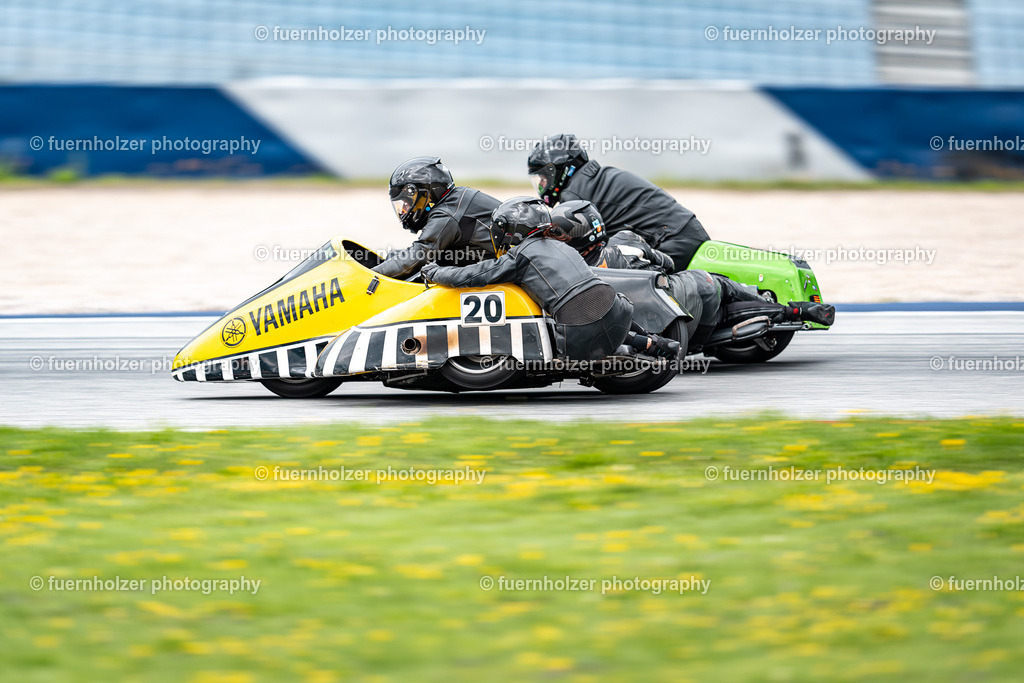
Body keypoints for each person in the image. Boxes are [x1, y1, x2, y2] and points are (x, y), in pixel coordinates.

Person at [420, 197, 681, 362]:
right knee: (605, 320)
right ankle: (653, 342)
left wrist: (434, 272)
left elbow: (474, 275)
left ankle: (614, 354)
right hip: (615, 305)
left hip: (579, 321)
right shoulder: (563, 246)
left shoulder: (520, 255)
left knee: (554, 354)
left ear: (510, 231)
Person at [550, 200, 836, 348]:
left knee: (715, 302)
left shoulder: (576, 269)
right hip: (683, 293)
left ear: (579, 235)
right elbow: (667, 263)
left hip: (659, 322)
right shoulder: (625, 240)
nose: (557, 240)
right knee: (720, 287)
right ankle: (792, 310)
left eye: (561, 234)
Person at [527, 133, 709, 272]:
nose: (542, 185)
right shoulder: (595, 179)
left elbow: (562, 249)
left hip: (671, 240)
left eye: (544, 178)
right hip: (683, 233)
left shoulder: (575, 196)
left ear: (559, 170)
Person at [373, 156, 500, 280]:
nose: (404, 211)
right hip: (492, 263)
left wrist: (369, 276)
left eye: (407, 203)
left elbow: (419, 255)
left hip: (498, 271)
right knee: (397, 257)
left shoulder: (447, 214)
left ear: (425, 194)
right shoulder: (456, 199)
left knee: (427, 271)